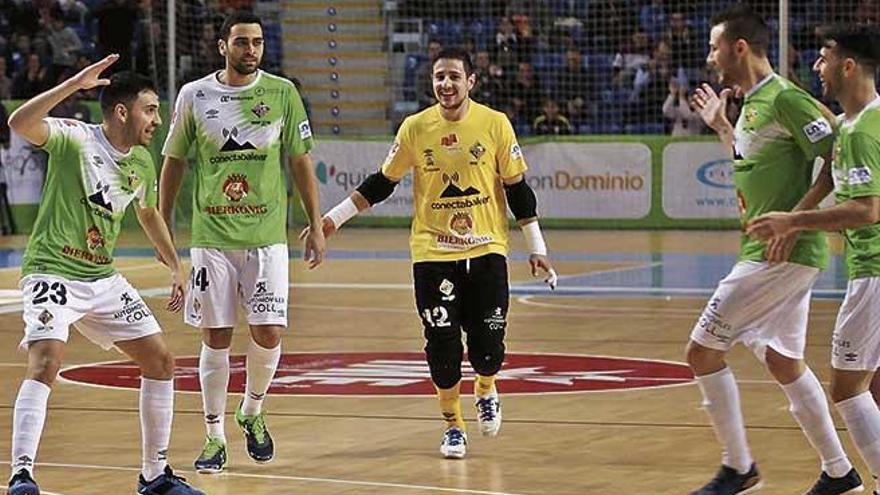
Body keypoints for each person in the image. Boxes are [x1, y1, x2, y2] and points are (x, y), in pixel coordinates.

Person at [307, 47, 557, 459]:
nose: (446, 84)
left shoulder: (495, 124)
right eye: (439, 76)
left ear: (471, 81)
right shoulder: (415, 128)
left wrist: (537, 248)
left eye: (454, 76)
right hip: (432, 252)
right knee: (442, 344)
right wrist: (331, 221)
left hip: (487, 249)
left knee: (487, 348)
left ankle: (487, 387)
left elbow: (517, 189)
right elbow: (381, 183)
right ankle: (453, 424)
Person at [5, 55, 203, 495]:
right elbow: (20, 122)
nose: (156, 119)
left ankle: (154, 477)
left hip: (101, 278)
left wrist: (175, 265)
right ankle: (21, 475)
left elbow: (149, 214)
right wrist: (74, 85)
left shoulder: (142, 162)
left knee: (161, 360)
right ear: (121, 111)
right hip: (52, 270)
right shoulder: (74, 139)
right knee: (46, 361)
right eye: (149, 110)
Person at [687, 6, 863, 495]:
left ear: (738, 47)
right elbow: (748, 164)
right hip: (769, 247)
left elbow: (838, 151)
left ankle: (739, 466)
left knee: (701, 352)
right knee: (785, 363)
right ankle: (838, 472)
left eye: (713, 46)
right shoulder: (751, 104)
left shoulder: (785, 98)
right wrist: (723, 126)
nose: (709, 56)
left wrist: (796, 217)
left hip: (780, 252)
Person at [159, 10, 325, 474]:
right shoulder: (195, 95)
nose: (250, 50)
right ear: (222, 46)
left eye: (256, 42)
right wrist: (164, 224)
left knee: (269, 332)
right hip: (211, 238)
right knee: (215, 337)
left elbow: (301, 163)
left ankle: (251, 410)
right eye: (241, 42)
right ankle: (213, 436)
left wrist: (315, 223)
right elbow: (173, 162)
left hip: (268, 238)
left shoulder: (283, 93)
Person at [747, 24, 880, 495]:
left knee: (847, 388)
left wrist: (793, 223)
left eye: (823, 59)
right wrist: (796, 215)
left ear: (848, 66)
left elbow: (867, 210)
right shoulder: (851, 125)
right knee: (875, 385)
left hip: (875, 272)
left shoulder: (863, 130)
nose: (815, 68)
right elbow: (829, 174)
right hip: (871, 271)